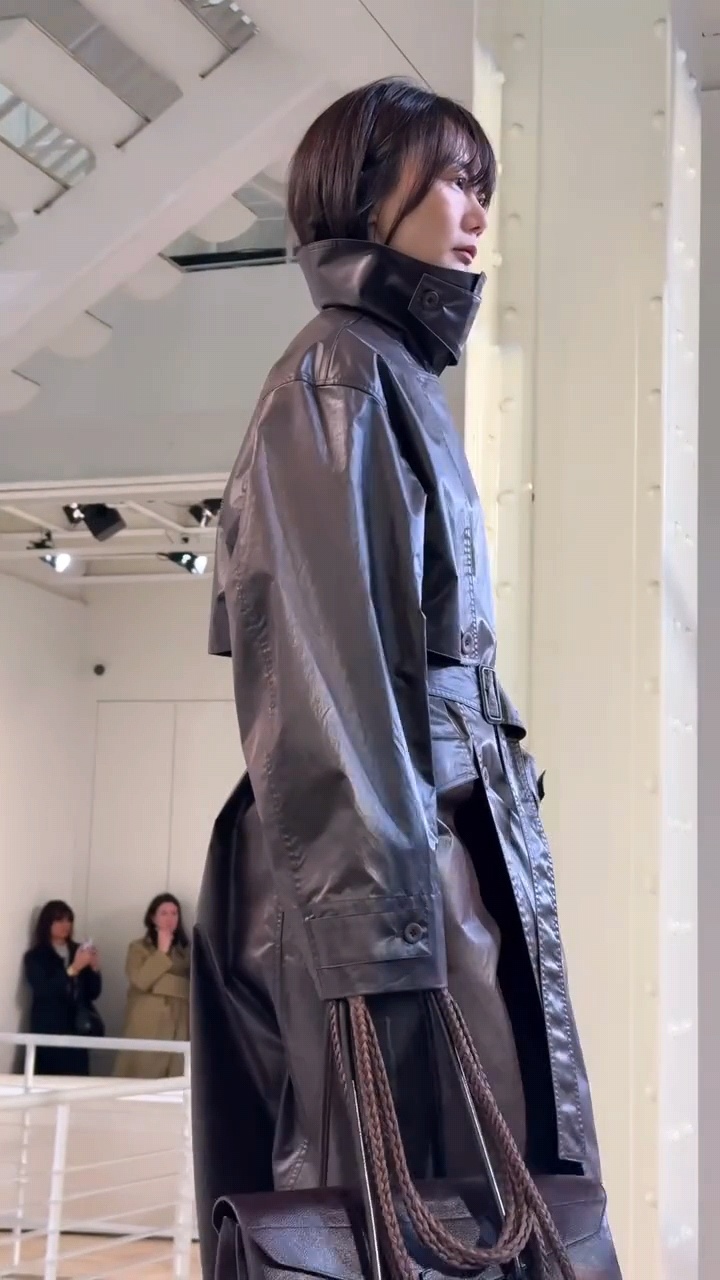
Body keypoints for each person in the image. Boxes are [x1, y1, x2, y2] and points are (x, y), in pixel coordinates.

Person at [191, 78, 618, 1277]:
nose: (475, 211)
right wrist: (378, 934)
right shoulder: (338, 375)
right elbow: (322, 675)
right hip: (385, 863)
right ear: (367, 190)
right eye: (451, 180)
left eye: (484, 187)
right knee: (413, 1200)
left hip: (427, 846)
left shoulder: (385, 373)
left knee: (474, 1190)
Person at [114, 894, 190, 1079]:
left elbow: (190, 985)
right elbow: (140, 980)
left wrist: (159, 983)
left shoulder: (185, 951)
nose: (170, 918)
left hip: (180, 1020)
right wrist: (161, 953)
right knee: (143, 1071)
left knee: (175, 1075)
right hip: (148, 1021)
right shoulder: (138, 948)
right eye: (164, 913)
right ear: (153, 917)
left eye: (174, 913)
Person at [24, 900, 102, 1076]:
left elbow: (93, 993)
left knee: (77, 1082)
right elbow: (43, 990)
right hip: (49, 1028)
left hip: (78, 1028)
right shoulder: (36, 956)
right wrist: (74, 968)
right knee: (48, 1081)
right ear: (47, 923)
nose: (65, 925)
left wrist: (94, 968)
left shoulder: (78, 950)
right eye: (59, 920)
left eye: (69, 920)